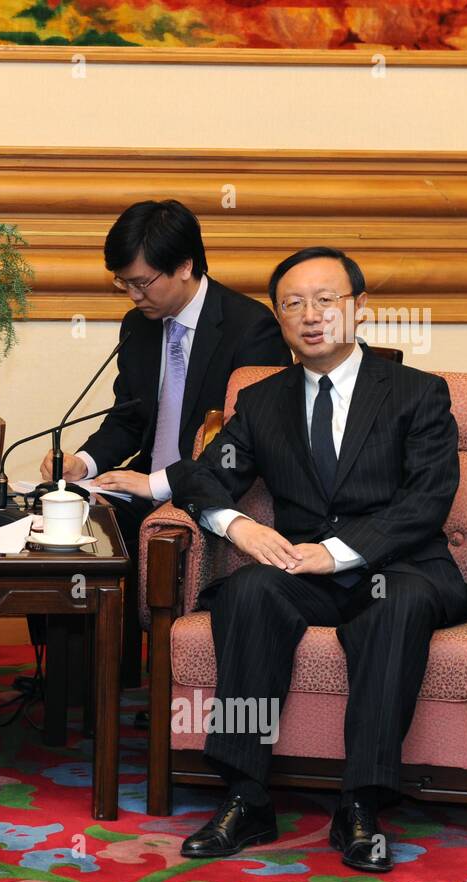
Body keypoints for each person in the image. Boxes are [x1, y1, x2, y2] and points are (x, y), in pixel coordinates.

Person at [159, 247, 467, 872]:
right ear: (278, 318)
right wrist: (239, 527)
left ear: (358, 308)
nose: (311, 316)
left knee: (399, 603)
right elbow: (202, 477)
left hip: (398, 567)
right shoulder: (263, 400)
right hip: (299, 570)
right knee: (248, 592)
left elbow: (427, 502)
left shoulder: (418, 395)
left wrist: (336, 554)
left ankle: (360, 805)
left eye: (326, 300)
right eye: (293, 304)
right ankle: (247, 796)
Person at [40, 199, 289, 684]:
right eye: (122, 283)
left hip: (211, 491)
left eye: (140, 282)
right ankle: (83, 685)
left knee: (123, 527)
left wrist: (155, 483)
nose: (131, 295)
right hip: (141, 483)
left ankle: (121, 683)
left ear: (184, 266)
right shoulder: (140, 326)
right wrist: (83, 464)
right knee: (57, 510)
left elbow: (244, 443)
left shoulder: (250, 328)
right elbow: (127, 419)